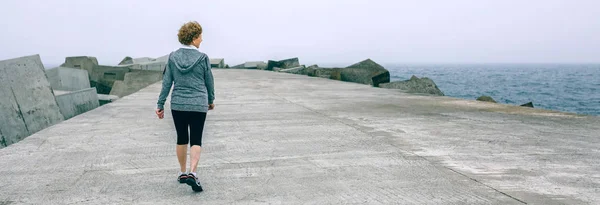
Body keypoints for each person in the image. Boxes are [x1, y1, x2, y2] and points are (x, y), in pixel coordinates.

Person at [155, 21, 215, 192]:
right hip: (198, 103)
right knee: (196, 138)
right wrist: (211, 100)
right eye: (200, 36)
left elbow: (167, 83)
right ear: (194, 38)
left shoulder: (173, 57)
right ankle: (193, 173)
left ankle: (182, 172)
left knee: (182, 138)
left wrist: (160, 104)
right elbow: (209, 82)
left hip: (178, 104)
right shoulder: (203, 58)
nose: (202, 40)